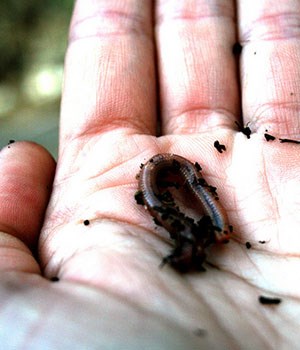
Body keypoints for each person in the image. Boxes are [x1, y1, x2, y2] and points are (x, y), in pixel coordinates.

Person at [1, 1, 299, 348]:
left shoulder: (188, 198)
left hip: (177, 183)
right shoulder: (172, 192)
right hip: (172, 183)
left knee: (194, 190)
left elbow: (194, 186)